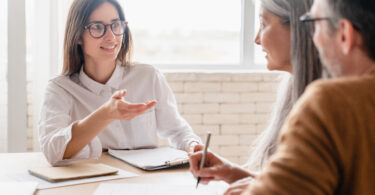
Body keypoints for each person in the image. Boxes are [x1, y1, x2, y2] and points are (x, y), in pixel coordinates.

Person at [194, 0, 375, 194]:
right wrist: (238, 174)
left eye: (314, 23)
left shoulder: (330, 103)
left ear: (345, 35)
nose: (312, 36)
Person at [38, 0, 201, 166]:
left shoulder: (148, 76)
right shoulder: (60, 89)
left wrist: (192, 144)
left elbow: (177, 130)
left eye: (116, 25)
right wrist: (105, 115)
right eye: (97, 27)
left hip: (143, 182)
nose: (111, 37)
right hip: (94, 180)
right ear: (78, 36)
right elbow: (53, 152)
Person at [190, 0, 322, 190]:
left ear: (299, 30)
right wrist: (230, 171)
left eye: (264, 24)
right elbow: (294, 186)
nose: (257, 39)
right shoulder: (294, 89)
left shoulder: (332, 106)